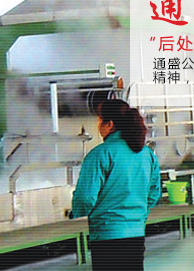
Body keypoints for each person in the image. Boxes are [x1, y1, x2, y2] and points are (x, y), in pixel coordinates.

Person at [72, 99, 161, 271]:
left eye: (99, 120)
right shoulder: (147, 154)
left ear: (109, 124)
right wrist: (137, 217)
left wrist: (77, 216)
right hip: (136, 234)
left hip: (107, 236)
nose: (98, 125)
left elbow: (85, 198)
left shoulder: (100, 154)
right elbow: (153, 194)